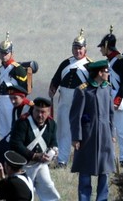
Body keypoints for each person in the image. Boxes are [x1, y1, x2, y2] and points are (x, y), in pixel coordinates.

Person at [69, 60, 115, 201]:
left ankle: (102, 199)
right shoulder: (83, 90)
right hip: (88, 137)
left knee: (104, 171)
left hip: (104, 136)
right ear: (100, 73)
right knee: (85, 171)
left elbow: (111, 113)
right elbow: (75, 116)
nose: (108, 74)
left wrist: (112, 133)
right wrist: (76, 137)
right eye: (106, 71)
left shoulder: (107, 88)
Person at [48, 28, 92, 168]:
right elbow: (56, 78)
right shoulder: (66, 63)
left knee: (80, 130)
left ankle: (82, 159)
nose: (78, 51)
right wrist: (53, 88)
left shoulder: (90, 65)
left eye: (80, 48)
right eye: (75, 48)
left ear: (85, 49)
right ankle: (62, 160)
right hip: (64, 99)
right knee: (63, 130)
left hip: (80, 100)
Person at [10, 97, 61, 200]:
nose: (40, 115)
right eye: (37, 110)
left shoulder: (52, 124)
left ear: (48, 112)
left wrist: (53, 151)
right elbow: (15, 144)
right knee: (25, 192)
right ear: (33, 109)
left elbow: (53, 142)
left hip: (40, 164)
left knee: (48, 186)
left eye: (43, 112)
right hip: (23, 164)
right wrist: (34, 155)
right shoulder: (23, 122)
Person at [97, 26, 123, 162]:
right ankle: (108, 156)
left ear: (107, 46)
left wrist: (117, 100)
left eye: (102, 47)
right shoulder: (107, 61)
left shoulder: (121, 60)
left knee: (121, 132)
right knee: (108, 131)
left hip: (118, 100)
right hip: (106, 99)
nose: (100, 49)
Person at [0, 32, 28, 158]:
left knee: (12, 128)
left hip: (11, 101)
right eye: (2, 53)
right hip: (0, 101)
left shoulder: (17, 69)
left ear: (11, 53)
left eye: (6, 53)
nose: (3, 55)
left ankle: (14, 154)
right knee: (2, 129)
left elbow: (23, 89)